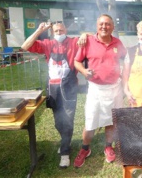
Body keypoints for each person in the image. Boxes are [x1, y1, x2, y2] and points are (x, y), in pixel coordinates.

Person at [21, 21, 86, 168]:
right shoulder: (47, 44)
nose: (59, 33)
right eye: (56, 31)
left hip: (69, 87)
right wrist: (38, 30)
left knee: (68, 119)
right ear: (52, 33)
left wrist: (84, 34)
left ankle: (65, 153)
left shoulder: (74, 42)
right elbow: (25, 46)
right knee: (58, 121)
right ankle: (66, 141)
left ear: (66, 30)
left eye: (61, 30)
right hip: (53, 88)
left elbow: (91, 37)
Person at [73, 14, 127, 167]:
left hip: (115, 88)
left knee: (111, 120)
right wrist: (83, 71)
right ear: (97, 26)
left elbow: (126, 58)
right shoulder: (87, 41)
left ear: (113, 27)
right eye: (101, 24)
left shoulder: (118, 42)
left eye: (108, 24)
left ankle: (108, 147)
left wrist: (123, 71)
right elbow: (77, 61)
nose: (104, 27)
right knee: (90, 121)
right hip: (95, 89)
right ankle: (85, 148)